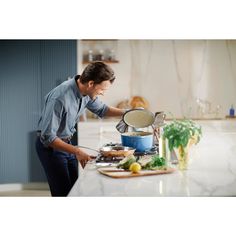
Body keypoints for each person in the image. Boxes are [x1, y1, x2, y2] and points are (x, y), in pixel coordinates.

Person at [35, 61, 125, 196]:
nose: (103, 94)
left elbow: (102, 110)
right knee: (63, 194)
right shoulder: (60, 98)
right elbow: (48, 137)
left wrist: (128, 113)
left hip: (66, 144)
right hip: (51, 148)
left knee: (75, 191)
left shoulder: (86, 93)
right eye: (102, 90)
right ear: (91, 84)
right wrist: (77, 151)